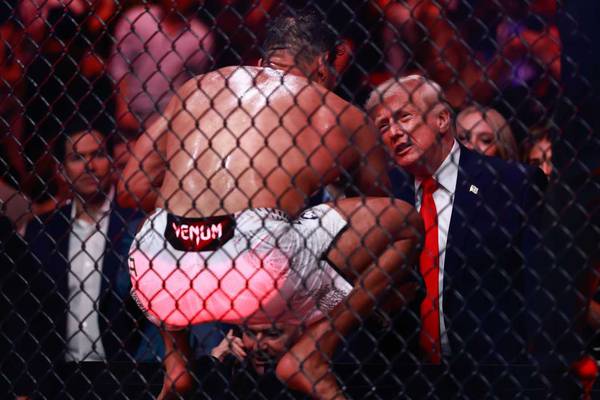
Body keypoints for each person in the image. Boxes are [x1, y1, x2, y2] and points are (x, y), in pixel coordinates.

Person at [119, 8, 421, 399]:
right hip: (257, 264)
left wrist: (202, 211)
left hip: (157, 270)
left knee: (164, 219)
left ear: (265, 58)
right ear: (323, 64)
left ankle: (176, 363)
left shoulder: (199, 87)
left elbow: (131, 186)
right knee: (405, 223)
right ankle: (313, 355)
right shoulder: (336, 111)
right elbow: (376, 213)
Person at [366, 75, 547, 397]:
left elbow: (540, 288)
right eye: (383, 126)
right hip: (408, 378)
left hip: (497, 378)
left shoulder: (510, 184)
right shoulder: (384, 195)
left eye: (404, 117)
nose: (393, 132)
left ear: (441, 119)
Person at [13, 124, 148, 398]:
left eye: (97, 154)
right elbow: (28, 311)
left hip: (124, 373)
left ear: (112, 162)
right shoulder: (43, 231)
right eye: (77, 157)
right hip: (58, 376)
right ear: (61, 170)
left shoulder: (137, 226)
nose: (89, 166)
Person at [109, 0, 216, 135]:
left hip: (169, 117)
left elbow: (193, 83)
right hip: (131, 109)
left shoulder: (201, 37)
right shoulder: (137, 19)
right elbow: (120, 66)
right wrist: (123, 107)